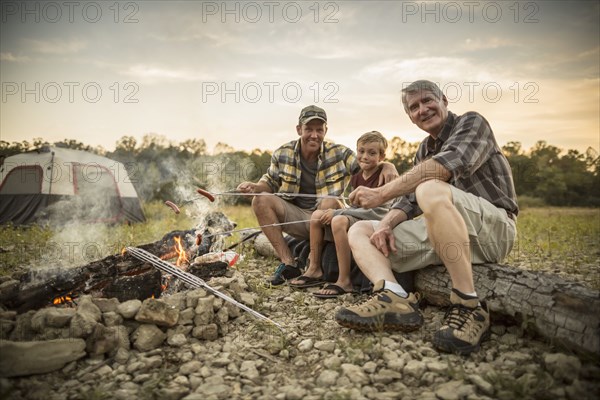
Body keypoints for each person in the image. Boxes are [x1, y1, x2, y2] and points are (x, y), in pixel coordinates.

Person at [335, 80, 518, 355]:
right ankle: (394, 297)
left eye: (428, 101)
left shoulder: (471, 122)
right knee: (361, 229)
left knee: (429, 187)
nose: (423, 109)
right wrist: (385, 224)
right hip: (444, 233)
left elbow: (444, 167)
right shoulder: (424, 148)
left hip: (493, 231)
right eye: (414, 107)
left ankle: (468, 304)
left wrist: (381, 193)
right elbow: (409, 201)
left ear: (444, 100)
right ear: (410, 116)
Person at [237, 105, 398, 286]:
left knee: (328, 199)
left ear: (325, 131)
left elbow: (367, 163)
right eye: (309, 129)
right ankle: (288, 263)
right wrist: (255, 187)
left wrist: (388, 165)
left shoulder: (340, 152)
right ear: (299, 129)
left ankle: (316, 267)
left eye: (319, 130)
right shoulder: (283, 153)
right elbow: (269, 183)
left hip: (327, 217)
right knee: (260, 200)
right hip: (296, 218)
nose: (314, 135)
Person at [290, 131, 392, 298]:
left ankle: (344, 281)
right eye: (361, 151)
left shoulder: (384, 176)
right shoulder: (357, 175)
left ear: (382, 156)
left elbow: (379, 211)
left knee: (338, 220)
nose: (365, 157)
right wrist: (339, 210)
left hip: (374, 220)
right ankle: (314, 268)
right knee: (316, 216)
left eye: (372, 153)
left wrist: (339, 211)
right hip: (358, 216)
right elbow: (355, 205)